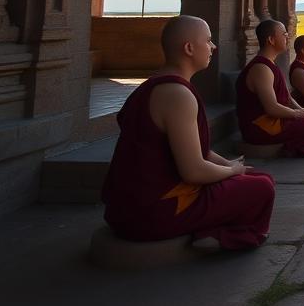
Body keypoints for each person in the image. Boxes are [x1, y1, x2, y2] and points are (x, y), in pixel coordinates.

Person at [102, 15, 275, 250]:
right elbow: (193, 170)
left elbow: (199, 150)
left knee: (255, 178)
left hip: (126, 207)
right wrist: (232, 170)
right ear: (189, 48)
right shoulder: (176, 94)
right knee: (262, 188)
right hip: (151, 211)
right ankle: (217, 237)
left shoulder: (157, 86)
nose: (213, 47)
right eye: (208, 40)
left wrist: (229, 166)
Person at [235, 19, 304, 157]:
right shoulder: (261, 68)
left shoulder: (270, 64)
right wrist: (296, 114)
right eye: (284, 34)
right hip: (261, 127)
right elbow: (271, 107)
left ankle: (295, 145)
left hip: (275, 120)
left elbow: (287, 97)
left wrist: (300, 109)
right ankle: (291, 149)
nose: (288, 37)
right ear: (271, 40)